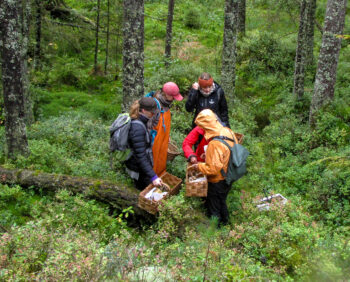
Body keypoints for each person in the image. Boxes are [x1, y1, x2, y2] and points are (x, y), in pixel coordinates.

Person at [192, 109, 238, 226]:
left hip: (218, 180)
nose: (202, 129)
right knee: (222, 201)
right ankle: (226, 223)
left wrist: (199, 166)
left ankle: (214, 231)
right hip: (230, 174)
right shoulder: (227, 131)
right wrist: (208, 155)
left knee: (214, 206)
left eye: (202, 126)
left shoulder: (214, 143)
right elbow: (230, 151)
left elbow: (212, 169)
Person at [124, 97, 164, 190]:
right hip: (138, 169)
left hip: (141, 166)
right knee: (144, 191)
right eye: (151, 112)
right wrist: (153, 176)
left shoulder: (141, 120)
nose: (153, 114)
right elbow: (140, 156)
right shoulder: (137, 128)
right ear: (143, 110)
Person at [147, 82, 183, 176]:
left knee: (161, 160)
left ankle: (160, 177)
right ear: (166, 94)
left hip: (163, 140)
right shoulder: (154, 105)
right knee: (153, 161)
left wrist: (167, 136)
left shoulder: (166, 104)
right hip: (154, 141)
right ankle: (151, 180)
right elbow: (148, 125)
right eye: (173, 97)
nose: (174, 99)